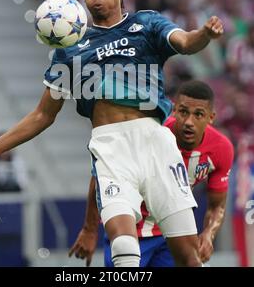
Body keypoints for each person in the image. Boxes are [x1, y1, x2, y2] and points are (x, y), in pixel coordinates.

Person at [0, 0, 224, 267]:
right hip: (110, 147)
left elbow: (186, 42)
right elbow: (43, 115)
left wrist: (204, 33)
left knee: (188, 258)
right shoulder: (70, 49)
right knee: (124, 248)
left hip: (155, 142)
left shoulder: (147, 24)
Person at [69, 80, 234, 267]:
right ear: (174, 110)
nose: (189, 122)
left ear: (211, 117)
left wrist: (208, 234)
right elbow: (104, 175)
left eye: (198, 114)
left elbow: (217, 206)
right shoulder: (153, 132)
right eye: (183, 112)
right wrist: (90, 229)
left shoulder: (221, 149)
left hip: (173, 235)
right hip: (133, 233)